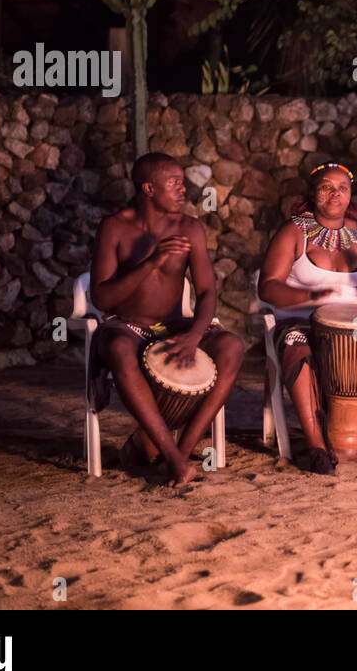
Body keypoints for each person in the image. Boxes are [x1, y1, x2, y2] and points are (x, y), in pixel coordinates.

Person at [89, 153, 244, 488]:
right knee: (115, 346)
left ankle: (181, 451)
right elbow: (101, 299)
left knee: (231, 346)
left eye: (182, 182)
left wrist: (194, 335)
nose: (182, 189)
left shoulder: (189, 228)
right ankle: (173, 459)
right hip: (130, 327)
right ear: (148, 188)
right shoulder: (115, 227)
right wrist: (152, 262)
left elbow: (206, 294)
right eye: (173, 182)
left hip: (174, 326)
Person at [257, 162, 357, 476]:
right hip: (301, 323)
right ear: (314, 193)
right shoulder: (295, 232)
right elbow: (268, 287)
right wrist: (311, 298)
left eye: (342, 188)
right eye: (327, 187)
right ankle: (317, 448)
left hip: (355, 326)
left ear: (350, 194)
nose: (335, 194)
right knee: (299, 347)